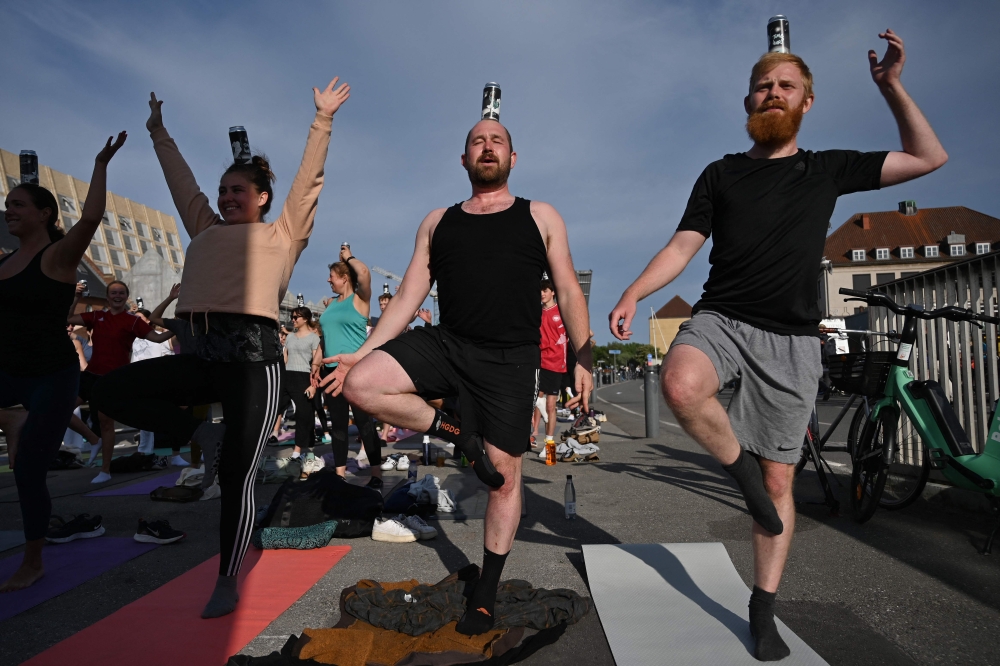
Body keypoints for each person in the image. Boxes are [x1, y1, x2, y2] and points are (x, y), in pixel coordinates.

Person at [608, 31, 946, 661]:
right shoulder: (721, 173)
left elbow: (928, 157)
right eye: (763, 86)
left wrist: (891, 87)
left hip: (792, 339)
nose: (773, 93)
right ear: (748, 101)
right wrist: (633, 292)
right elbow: (683, 246)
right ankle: (741, 474)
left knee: (779, 481)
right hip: (723, 317)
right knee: (680, 383)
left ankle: (762, 606)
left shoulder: (826, 168)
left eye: (786, 86)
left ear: (805, 102)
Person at [322, 117, 593, 635]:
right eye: (477, 141)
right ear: (464, 159)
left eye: (497, 141)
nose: (487, 147)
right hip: (449, 344)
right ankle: (457, 433)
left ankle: (485, 593)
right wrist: (365, 351)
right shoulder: (437, 221)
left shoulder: (540, 216)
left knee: (503, 476)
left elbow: (567, 287)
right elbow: (409, 295)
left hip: (511, 358)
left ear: (513, 158)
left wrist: (584, 354)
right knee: (361, 384)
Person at [94, 78, 350, 618]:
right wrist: (158, 132)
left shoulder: (283, 234)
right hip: (201, 356)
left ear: (262, 198)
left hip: (255, 365)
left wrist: (322, 119)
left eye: (238, 190)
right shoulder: (204, 228)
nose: (226, 197)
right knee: (106, 391)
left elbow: (307, 183)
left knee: (237, 475)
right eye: (223, 190)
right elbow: (181, 182)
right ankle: (200, 433)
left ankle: (228, 577)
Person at [0, 131, 127, 592]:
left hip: (51, 375)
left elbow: (90, 217)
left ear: (44, 214)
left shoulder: (58, 256)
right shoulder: (4, 265)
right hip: (8, 372)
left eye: (18, 204)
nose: (9, 210)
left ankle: (32, 561)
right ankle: (12, 417)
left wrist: (100, 164)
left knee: (28, 470)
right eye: (7, 204)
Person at [68, 280, 173, 483]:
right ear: (108, 297)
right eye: (114, 293)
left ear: (126, 297)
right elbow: (69, 318)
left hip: (113, 378)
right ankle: (94, 440)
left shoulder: (132, 321)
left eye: (121, 293)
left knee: (106, 422)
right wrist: (77, 297)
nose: (117, 296)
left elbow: (157, 338)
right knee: (62, 411)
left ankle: (105, 471)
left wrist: (179, 327)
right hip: (91, 374)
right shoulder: (97, 316)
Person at [317, 246, 383, 485]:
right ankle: (340, 475)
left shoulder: (360, 299)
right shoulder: (331, 304)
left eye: (332, 276)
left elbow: (364, 273)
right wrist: (315, 364)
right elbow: (325, 337)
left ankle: (376, 475)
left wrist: (349, 258)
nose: (328, 280)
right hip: (331, 372)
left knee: (365, 424)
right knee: (338, 426)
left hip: (357, 372)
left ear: (344, 278)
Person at [532, 278, 567, 447]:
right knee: (534, 400)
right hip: (539, 361)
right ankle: (533, 434)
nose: (542, 294)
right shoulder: (536, 312)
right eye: (540, 291)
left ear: (553, 292)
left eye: (545, 290)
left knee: (551, 406)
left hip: (556, 362)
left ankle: (550, 446)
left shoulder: (562, 311)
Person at [284, 306, 322, 458]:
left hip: (304, 377)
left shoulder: (314, 338)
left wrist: (313, 385)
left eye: (296, 317)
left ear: (305, 319)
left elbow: (317, 363)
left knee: (303, 414)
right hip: (287, 375)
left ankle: (298, 451)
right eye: (292, 317)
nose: (293, 320)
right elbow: (285, 358)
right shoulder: (289, 337)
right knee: (276, 409)